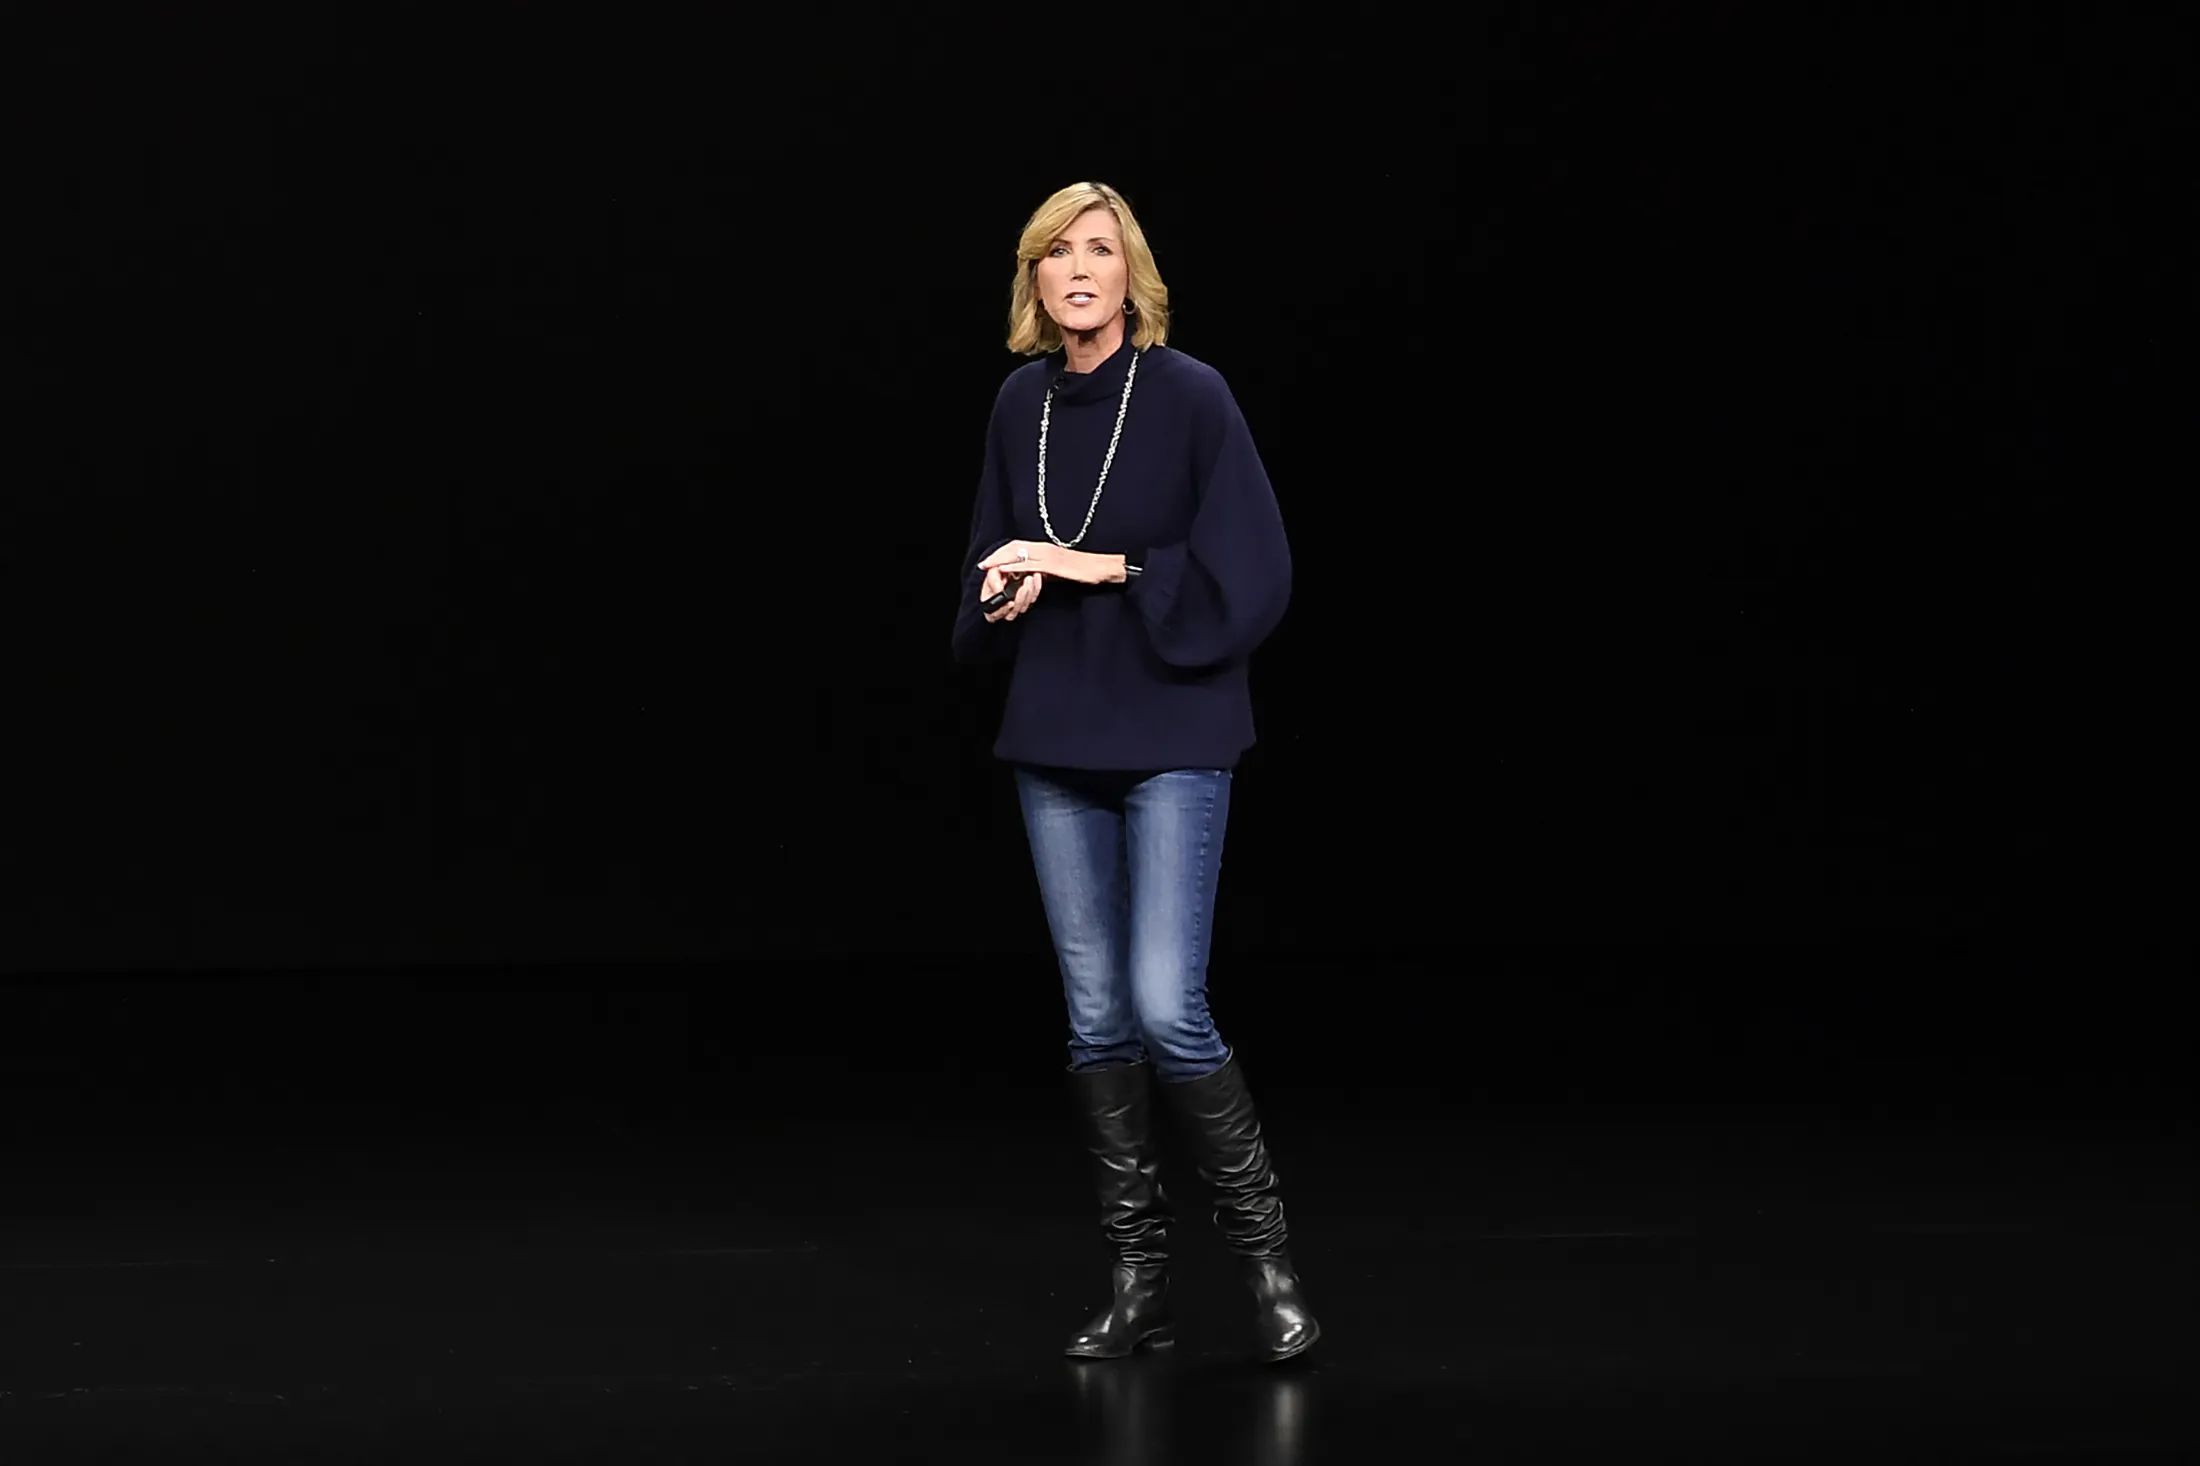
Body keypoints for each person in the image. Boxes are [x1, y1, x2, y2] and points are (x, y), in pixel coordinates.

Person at [950, 181, 1318, 1364]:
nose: (1077, 267)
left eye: (1099, 248)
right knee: (1098, 1016)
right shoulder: (1020, 403)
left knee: (1167, 1005)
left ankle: (1267, 1265)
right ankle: (1139, 1282)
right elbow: (993, 546)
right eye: (1055, 251)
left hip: (1172, 728)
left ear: (1131, 274)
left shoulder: (1191, 393)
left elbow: (1252, 568)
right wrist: (1003, 588)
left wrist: (1097, 566)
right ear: (1034, 276)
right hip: (1054, 731)